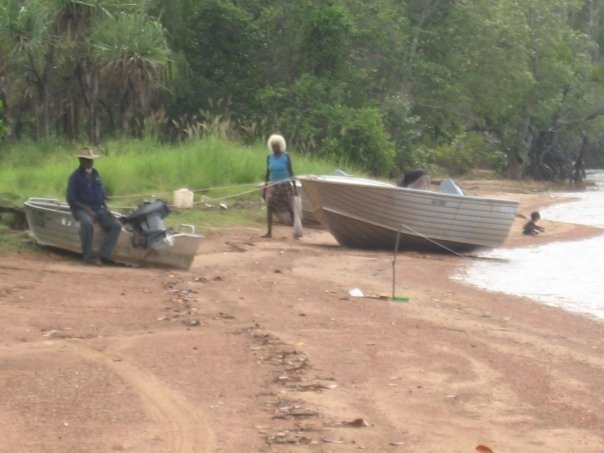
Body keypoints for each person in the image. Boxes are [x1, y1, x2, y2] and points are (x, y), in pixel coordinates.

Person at [66, 147, 121, 265]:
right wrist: (88, 210)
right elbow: (72, 199)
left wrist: (107, 210)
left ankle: (102, 255)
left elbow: (101, 196)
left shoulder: (96, 174)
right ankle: (87, 257)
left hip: (97, 208)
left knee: (116, 225)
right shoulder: (74, 177)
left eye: (91, 160)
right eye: (86, 160)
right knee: (87, 223)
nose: (89, 162)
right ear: (80, 161)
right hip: (81, 208)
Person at [261, 134, 298, 238]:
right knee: (269, 207)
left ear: (281, 146)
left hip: (285, 186)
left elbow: (291, 172)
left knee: (289, 208)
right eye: (273, 146)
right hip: (273, 185)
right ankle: (269, 232)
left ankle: (296, 231)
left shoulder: (286, 156)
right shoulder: (269, 157)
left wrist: (294, 188)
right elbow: (268, 173)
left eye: (276, 146)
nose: (275, 148)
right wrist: (265, 188)